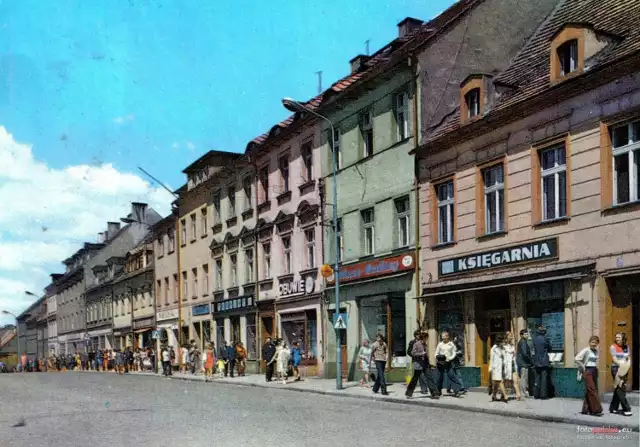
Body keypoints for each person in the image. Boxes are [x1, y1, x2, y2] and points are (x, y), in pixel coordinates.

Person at [575, 335, 603, 416]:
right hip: (587, 371)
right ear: (589, 342)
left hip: (594, 371)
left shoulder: (596, 351)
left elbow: (595, 362)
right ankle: (596, 410)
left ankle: (585, 409)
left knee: (590, 390)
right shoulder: (586, 350)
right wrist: (583, 366)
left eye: (595, 342)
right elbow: (577, 358)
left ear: (598, 343)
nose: (593, 344)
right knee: (592, 389)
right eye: (592, 342)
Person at [406, 331, 439, 399]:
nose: (427, 339)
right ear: (423, 338)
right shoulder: (416, 344)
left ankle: (434, 393)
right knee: (415, 379)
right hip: (418, 364)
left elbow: (425, 354)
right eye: (426, 338)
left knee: (429, 378)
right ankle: (409, 393)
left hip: (425, 364)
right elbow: (412, 353)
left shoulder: (424, 344)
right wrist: (420, 354)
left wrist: (428, 362)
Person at [434, 330, 463, 397]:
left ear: (447, 337)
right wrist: (438, 358)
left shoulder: (451, 344)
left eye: (444, 337)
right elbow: (436, 353)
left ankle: (457, 391)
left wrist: (449, 358)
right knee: (439, 377)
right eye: (442, 337)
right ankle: (438, 391)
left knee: (452, 376)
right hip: (440, 363)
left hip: (448, 362)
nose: (442, 338)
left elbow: (454, 353)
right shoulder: (440, 344)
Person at [609, 332, 632, 416]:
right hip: (616, 368)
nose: (617, 339)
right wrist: (622, 365)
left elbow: (628, 358)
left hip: (625, 368)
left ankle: (613, 408)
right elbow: (614, 359)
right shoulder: (613, 347)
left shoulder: (626, 347)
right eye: (616, 337)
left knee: (619, 388)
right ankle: (626, 408)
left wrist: (628, 365)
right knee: (620, 388)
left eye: (619, 337)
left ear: (623, 338)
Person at [533, 324, 552, 399]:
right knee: (544, 378)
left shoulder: (534, 338)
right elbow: (550, 348)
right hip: (544, 361)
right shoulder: (545, 339)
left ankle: (536, 394)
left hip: (536, 360)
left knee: (537, 378)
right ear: (544, 332)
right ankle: (543, 395)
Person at [489, 333, 508, 402]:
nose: (503, 343)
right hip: (496, 368)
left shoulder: (504, 348)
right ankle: (505, 396)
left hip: (503, 368)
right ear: (499, 342)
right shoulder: (493, 349)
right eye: (502, 341)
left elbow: (506, 358)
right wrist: (490, 369)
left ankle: (494, 396)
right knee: (500, 381)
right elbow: (491, 359)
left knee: (496, 385)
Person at [504, 332, 521, 400]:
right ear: (506, 337)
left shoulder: (512, 346)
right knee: (505, 382)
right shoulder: (502, 346)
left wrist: (515, 365)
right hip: (505, 366)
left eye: (511, 336)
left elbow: (514, 356)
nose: (511, 337)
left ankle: (518, 394)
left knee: (515, 381)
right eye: (510, 336)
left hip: (512, 365)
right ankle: (504, 394)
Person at [516, 329, 532, 398]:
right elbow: (525, 353)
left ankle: (523, 392)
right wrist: (530, 360)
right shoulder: (523, 342)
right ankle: (524, 393)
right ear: (521, 335)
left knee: (522, 378)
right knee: (524, 378)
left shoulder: (522, 341)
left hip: (521, 362)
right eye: (525, 334)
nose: (527, 335)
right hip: (523, 363)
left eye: (527, 334)